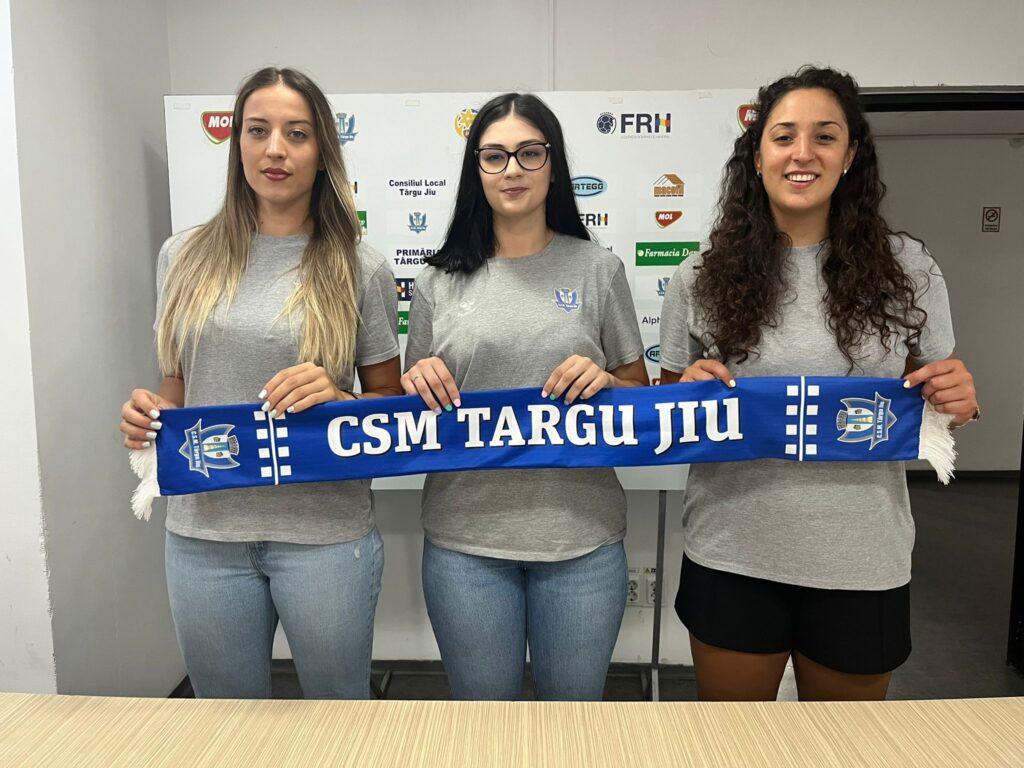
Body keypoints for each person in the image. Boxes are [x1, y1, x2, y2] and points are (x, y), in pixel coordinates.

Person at [659, 66, 979, 702]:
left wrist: (963, 402)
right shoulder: (700, 277)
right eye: (784, 137)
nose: (802, 153)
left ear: (850, 154)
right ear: (757, 156)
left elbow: (946, 404)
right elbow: (668, 409)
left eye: (825, 136)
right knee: (735, 744)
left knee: (843, 748)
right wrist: (684, 392)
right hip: (733, 551)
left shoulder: (909, 270)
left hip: (863, 558)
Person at [119, 67, 401, 699]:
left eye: (296, 133)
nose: (275, 149)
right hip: (204, 533)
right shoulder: (181, 257)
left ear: (322, 151)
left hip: (324, 535)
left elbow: (392, 407)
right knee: (226, 725)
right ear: (237, 144)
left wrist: (341, 399)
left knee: (338, 717)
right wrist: (149, 414)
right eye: (258, 131)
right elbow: (176, 388)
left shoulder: (360, 267)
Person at [402, 93, 648, 701]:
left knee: (573, 722)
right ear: (477, 171)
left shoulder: (599, 269)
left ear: (553, 165)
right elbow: (412, 406)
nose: (512, 169)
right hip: (464, 543)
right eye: (494, 156)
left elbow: (641, 397)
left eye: (529, 153)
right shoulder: (436, 281)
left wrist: (607, 384)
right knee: (486, 727)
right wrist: (417, 381)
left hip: (581, 539)